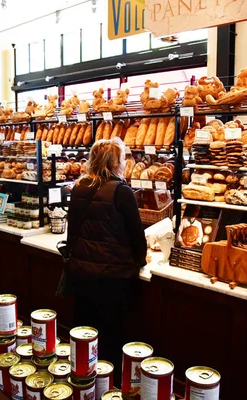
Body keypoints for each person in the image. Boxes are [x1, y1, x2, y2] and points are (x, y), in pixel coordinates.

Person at [66, 137, 147, 381]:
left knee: (84, 331)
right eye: (122, 159)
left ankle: (81, 379)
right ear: (115, 163)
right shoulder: (122, 192)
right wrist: (141, 260)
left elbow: (73, 231)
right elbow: (137, 236)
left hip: (81, 273)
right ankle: (108, 385)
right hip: (112, 277)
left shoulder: (80, 186)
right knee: (110, 335)